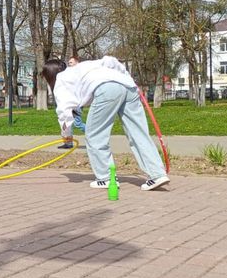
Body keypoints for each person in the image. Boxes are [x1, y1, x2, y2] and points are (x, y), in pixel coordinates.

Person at [41, 56, 170, 191]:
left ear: (49, 76)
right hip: (129, 87)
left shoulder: (61, 80)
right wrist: (127, 77)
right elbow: (110, 60)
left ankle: (105, 178)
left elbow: (63, 112)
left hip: (107, 89)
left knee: (94, 136)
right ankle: (157, 174)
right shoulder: (82, 67)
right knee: (138, 133)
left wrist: (66, 135)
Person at [59, 56, 86, 149]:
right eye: (69, 62)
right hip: (68, 102)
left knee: (77, 123)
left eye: (71, 62)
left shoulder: (79, 74)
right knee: (66, 123)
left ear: (77, 63)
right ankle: (68, 143)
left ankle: (95, 136)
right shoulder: (69, 74)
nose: (69, 64)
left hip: (76, 103)